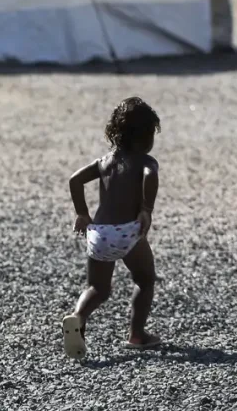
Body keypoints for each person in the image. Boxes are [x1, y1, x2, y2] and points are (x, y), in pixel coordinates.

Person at [62, 97, 162, 360]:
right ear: (146, 136)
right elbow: (150, 177)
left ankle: (77, 317)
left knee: (97, 287)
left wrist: (82, 213)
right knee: (144, 279)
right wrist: (146, 210)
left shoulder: (104, 162)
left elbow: (74, 180)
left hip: (99, 233)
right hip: (127, 231)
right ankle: (137, 335)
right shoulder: (145, 161)